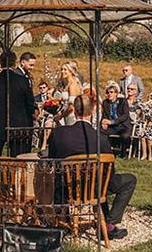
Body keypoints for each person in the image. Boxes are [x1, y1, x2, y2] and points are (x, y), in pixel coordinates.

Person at [47, 94, 136, 241]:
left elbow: (52, 162)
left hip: (66, 189)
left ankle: (66, 220)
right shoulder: (101, 138)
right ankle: (110, 222)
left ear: (74, 111)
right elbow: (110, 171)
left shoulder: (59, 133)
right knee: (129, 180)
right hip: (94, 190)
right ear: (93, 111)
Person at [0, 51, 36, 156]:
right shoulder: (23, 80)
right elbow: (30, 103)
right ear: (14, 63)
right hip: (18, 123)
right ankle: (16, 172)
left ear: (1, 62)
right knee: (18, 155)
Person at [100, 83, 131, 156]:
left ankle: (123, 153)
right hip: (112, 127)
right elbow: (104, 115)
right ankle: (106, 152)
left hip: (122, 126)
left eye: (111, 92)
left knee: (125, 136)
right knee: (100, 133)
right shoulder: (105, 103)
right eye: (108, 92)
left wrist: (111, 122)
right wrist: (103, 122)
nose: (109, 94)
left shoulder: (123, 101)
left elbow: (125, 116)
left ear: (116, 93)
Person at [53, 62, 82, 127]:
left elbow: (71, 106)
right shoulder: (68, 84)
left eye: (65, 69)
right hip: (66, 114)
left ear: (71, 71)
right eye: (61, 69)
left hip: (71, 116)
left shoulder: (72, 85)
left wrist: (61, 116)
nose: (62, 71)